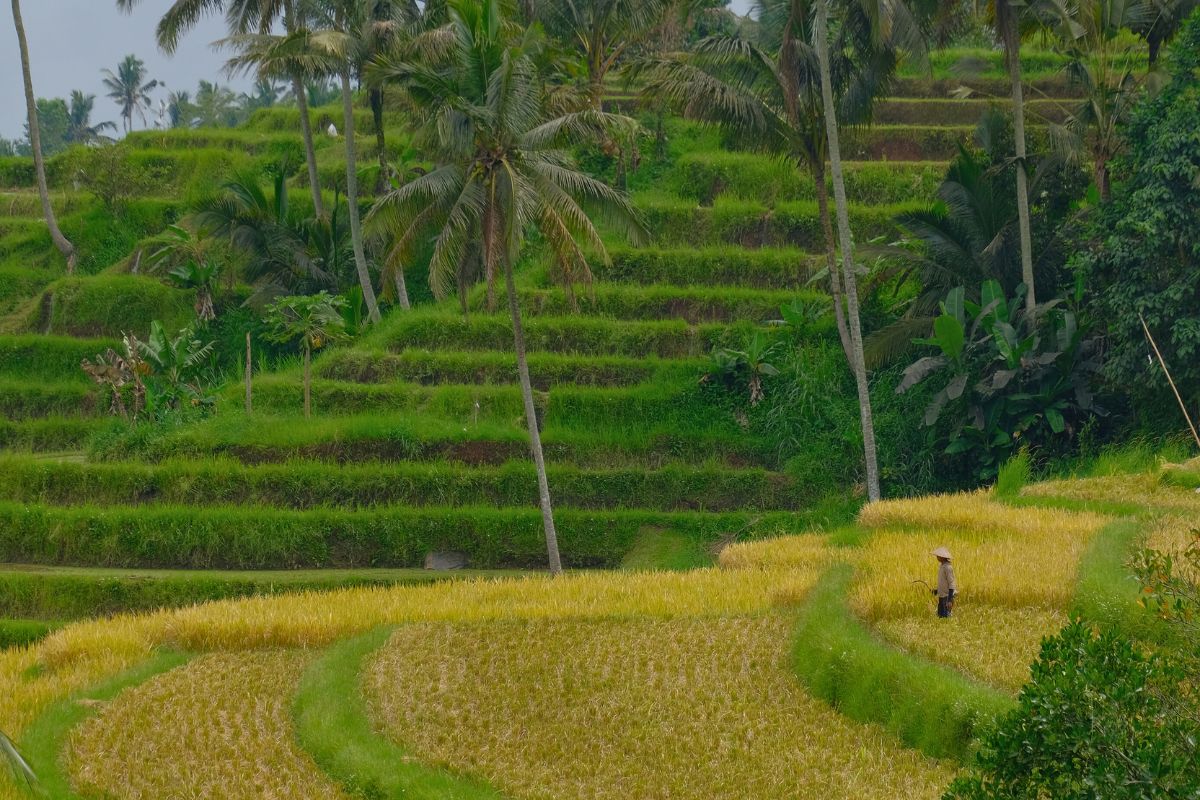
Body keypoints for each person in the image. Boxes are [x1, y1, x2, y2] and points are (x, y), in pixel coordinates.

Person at [931, 547, 956, 618]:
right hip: (942, 595)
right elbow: (943, 582)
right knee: (940, 616)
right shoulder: (942, 566)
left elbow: (951, 583)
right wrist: (936, 591)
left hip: (947, 596)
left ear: (942, 557)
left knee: (946, 616)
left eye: (938, 556)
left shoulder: (948, 567)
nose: (937, 557)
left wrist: (950, 600)